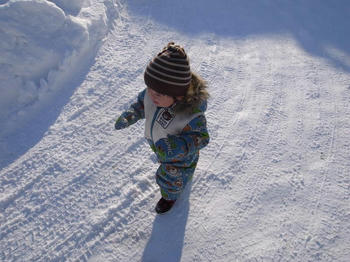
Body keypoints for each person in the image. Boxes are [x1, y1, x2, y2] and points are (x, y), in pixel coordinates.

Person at [114, 42, 210, 214]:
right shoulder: (153, 95)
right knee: (167, 168)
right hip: (161, 146)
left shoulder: (190, 116)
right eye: (149, 88)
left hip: (181, 157)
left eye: (158, 93)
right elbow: (142, 104)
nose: (151, 95)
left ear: (178, 95)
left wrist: (177, 147)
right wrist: (133, 113)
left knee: (171, 178)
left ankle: (170, 196)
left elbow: (202, 138)